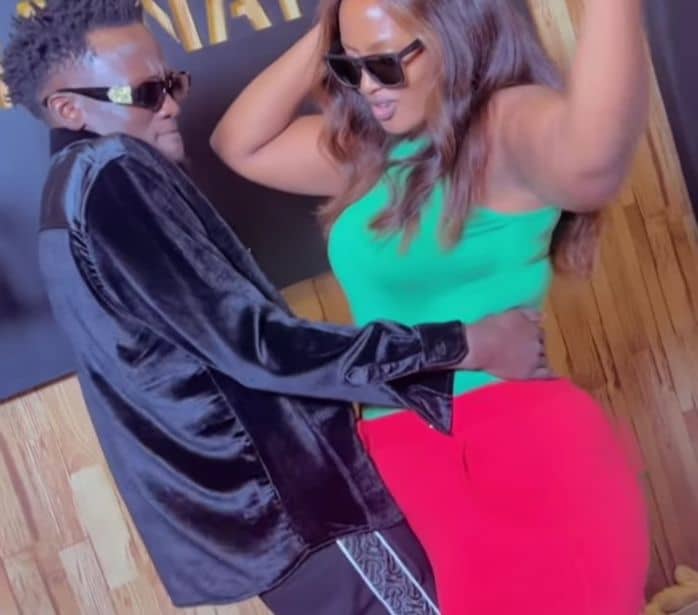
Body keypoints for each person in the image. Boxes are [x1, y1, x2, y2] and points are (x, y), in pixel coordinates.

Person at [2, 1, 549, 613]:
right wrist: (465, 344)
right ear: (68, 109)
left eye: (172, 83)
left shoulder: (71, 194)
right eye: (145, 92)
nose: (171, 104)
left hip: (273, 521)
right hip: (303, 509)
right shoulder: (112, 174)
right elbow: (260, 346)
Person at [211, 0, 651, 612]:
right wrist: (337, 25)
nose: (368, 87)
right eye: (350, 68)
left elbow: (593, 164)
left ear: (456, 36)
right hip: (404, 467)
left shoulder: (502, 126)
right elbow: (241, 143)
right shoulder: (368, 152)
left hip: (520, 455)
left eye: (387, 64)